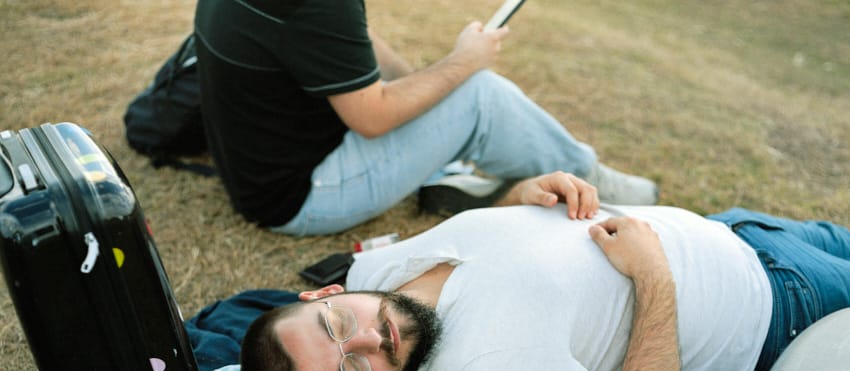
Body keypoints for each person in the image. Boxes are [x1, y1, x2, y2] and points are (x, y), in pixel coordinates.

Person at [239, 171, 850, 371]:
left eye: (332, 325)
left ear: (325, 291)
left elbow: (493, 247)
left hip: (733, 229)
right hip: (775, 312)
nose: (369, 340)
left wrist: (522, 197)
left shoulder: (375, 274)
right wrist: (654, 278)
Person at [192, 0, 658, 236]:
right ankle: (588, 179)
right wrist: (463, 62)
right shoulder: (317, 3)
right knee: (481, 94)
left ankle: (453, 172)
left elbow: (353, 46)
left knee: (457, 96)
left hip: (260, 169)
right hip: (296, 197)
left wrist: (430, 99)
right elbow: (371, 117)